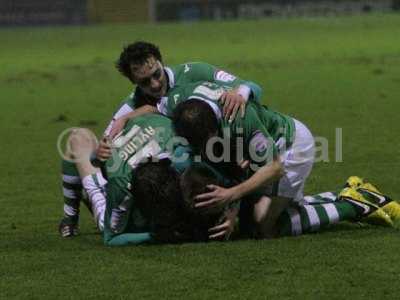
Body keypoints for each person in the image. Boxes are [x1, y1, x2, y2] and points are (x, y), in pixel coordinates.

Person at [59, 40, 262, 236]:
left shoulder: (194, 72)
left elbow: (250, 86)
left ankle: (94, 195)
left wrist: (241, 93)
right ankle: (72, 216)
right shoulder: (129, 107)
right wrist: (98, 154)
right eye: (145, 82)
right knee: (78, 138)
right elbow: (105, 160)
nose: (155, 84)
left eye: (157, 74)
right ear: (133, 82)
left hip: (209, 165)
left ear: (160, 61)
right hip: (155, 186)